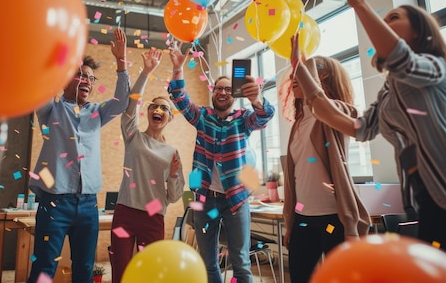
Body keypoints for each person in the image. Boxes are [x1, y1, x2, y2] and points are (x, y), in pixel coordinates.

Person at [290, 0, 446, 282]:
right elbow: (356, 127)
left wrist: (358, 2)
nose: (385, 23)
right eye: (384, 18)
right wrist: (299, 68)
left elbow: (400, 57)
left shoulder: (434, 67)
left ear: (420, 31)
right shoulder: (388, 93)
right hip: (426, 200)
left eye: (394, 18)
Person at [27, 28, 130, 283]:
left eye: (91, 78)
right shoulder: (51, 108)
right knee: (43, 268)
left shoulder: (98, 112)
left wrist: (121, 62)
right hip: (54, 203)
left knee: (84, 269)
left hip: (88, 204)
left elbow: (121, 101)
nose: (86, 81)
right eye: (81, 75)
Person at [167, 46, 276, 283]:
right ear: (213, 92)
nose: (223, 92)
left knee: (241, 262)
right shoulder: (202, 117)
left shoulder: (243, 120)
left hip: (236, 200)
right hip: (205, 200)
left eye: (228, 88)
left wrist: (256, 98)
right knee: (208, 263)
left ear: (233, 94)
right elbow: (180, 98)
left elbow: (265, 115)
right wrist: (178, 69)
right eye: (218, 88)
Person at [282, 39, 371, 283]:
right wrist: (290, 222)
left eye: (308, 71)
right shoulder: (298, 124)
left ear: (326, 80)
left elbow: (327, 106)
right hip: (303, 218)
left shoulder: (339, 112)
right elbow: (294, 179)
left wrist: (300, 63)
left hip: (335, 218)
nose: (295, 76)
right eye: (294, 73)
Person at [109, 47, 185, 283]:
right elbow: (130, 108)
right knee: (120, 271)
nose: (158, 110)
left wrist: (173, 176)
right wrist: (146, 72)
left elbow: (174, 197)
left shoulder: (172, 153)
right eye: (154, 106)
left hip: (153, 218)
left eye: (164, 108)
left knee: (150, 275)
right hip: (124, 212)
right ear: (148, 112)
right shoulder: (134, 137)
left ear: (170, 118)